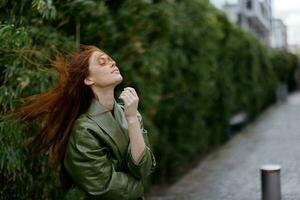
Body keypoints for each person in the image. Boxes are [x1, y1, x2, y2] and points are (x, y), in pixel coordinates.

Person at [15, 44, 157, 199]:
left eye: (111, 60)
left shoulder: (129, 112)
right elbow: (106, 186)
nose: (113, 62)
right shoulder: (84, 130)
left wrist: (132, 120)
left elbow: (143, 168)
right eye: (102, 62)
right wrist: (139, 185)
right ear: (88, 79)